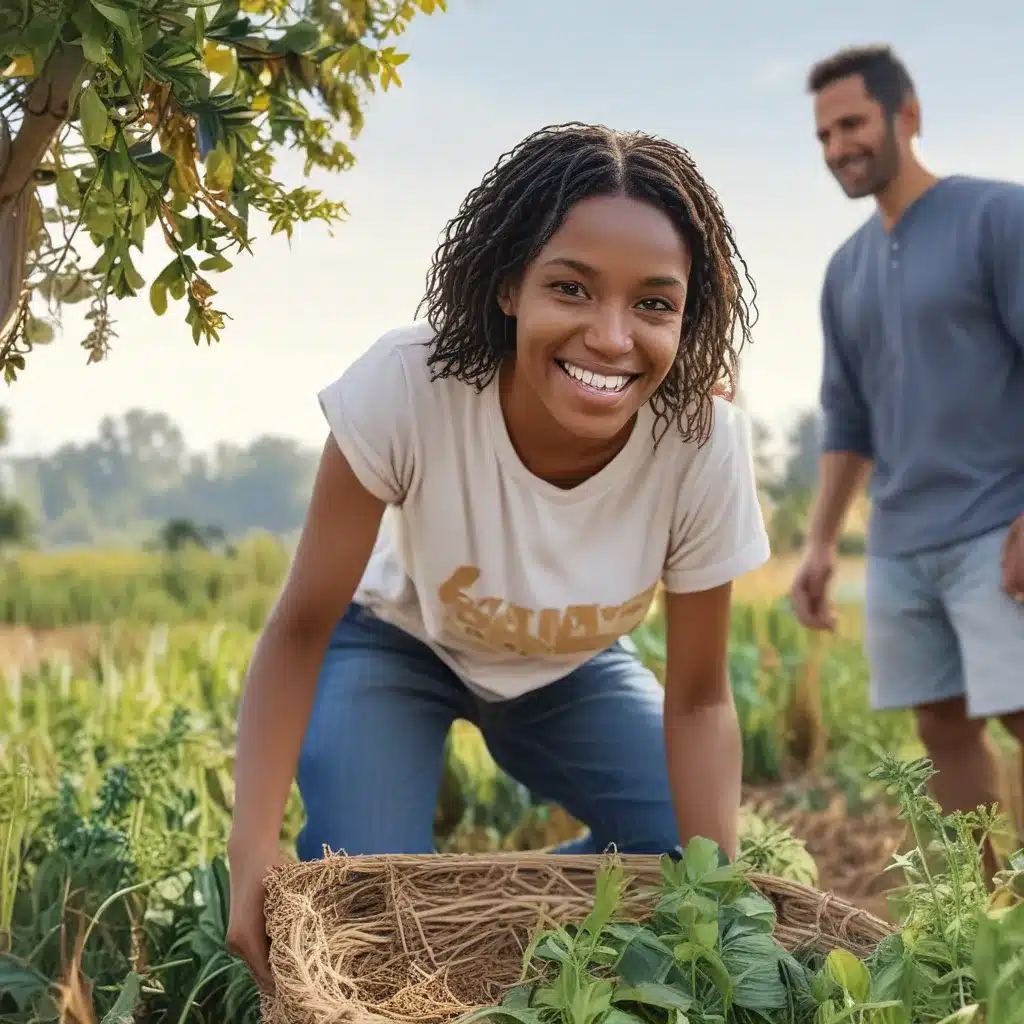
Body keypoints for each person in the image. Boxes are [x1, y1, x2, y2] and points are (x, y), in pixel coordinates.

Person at [224, 122, 770, 988]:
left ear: (688, 315)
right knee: (363, 901)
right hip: (400, 644)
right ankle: (435, 905)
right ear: (511, 284)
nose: (610, 337)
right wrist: (248, 852)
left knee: (684, 867)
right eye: (572, 288)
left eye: (654, 303)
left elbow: (700, 702)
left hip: (574, 666)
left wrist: (724, 914)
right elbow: (299, 628)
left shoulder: (702, 442)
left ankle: (500, 917)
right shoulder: (411, 385)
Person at [791, 45, 1024, 852]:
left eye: (851, 124)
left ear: (907, 116)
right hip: (899, 541)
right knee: (941, 727)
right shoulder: (841, 271)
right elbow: (846, 418)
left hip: (999, 523)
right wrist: (819, 543)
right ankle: (983, 924)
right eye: (823, 134)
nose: (837, 148)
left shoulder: (999, 216)